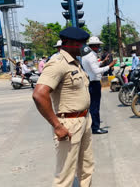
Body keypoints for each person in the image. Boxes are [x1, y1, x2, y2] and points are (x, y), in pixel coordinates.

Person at [32, 27, 94, 187]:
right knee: (65, 175)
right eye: (82, 43)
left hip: (84, 119)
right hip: (69, 124)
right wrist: (57, 126)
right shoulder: (58, 63)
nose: (85, 47)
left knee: (86, 167)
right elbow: (39, 94)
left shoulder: (76, 63)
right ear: (72, 43)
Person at [82, 36, 117, 134]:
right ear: (95, 46)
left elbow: (95, 66)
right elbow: (96, 70)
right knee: (95, 107)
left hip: (90, 82)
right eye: (98, 46)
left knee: (92, 106)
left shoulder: (86, 56)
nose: (99, 48)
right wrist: (109, 66)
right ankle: (95, 127)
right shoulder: (91, 56)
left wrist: (104, 61)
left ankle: (93, 125)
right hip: (94, 83)